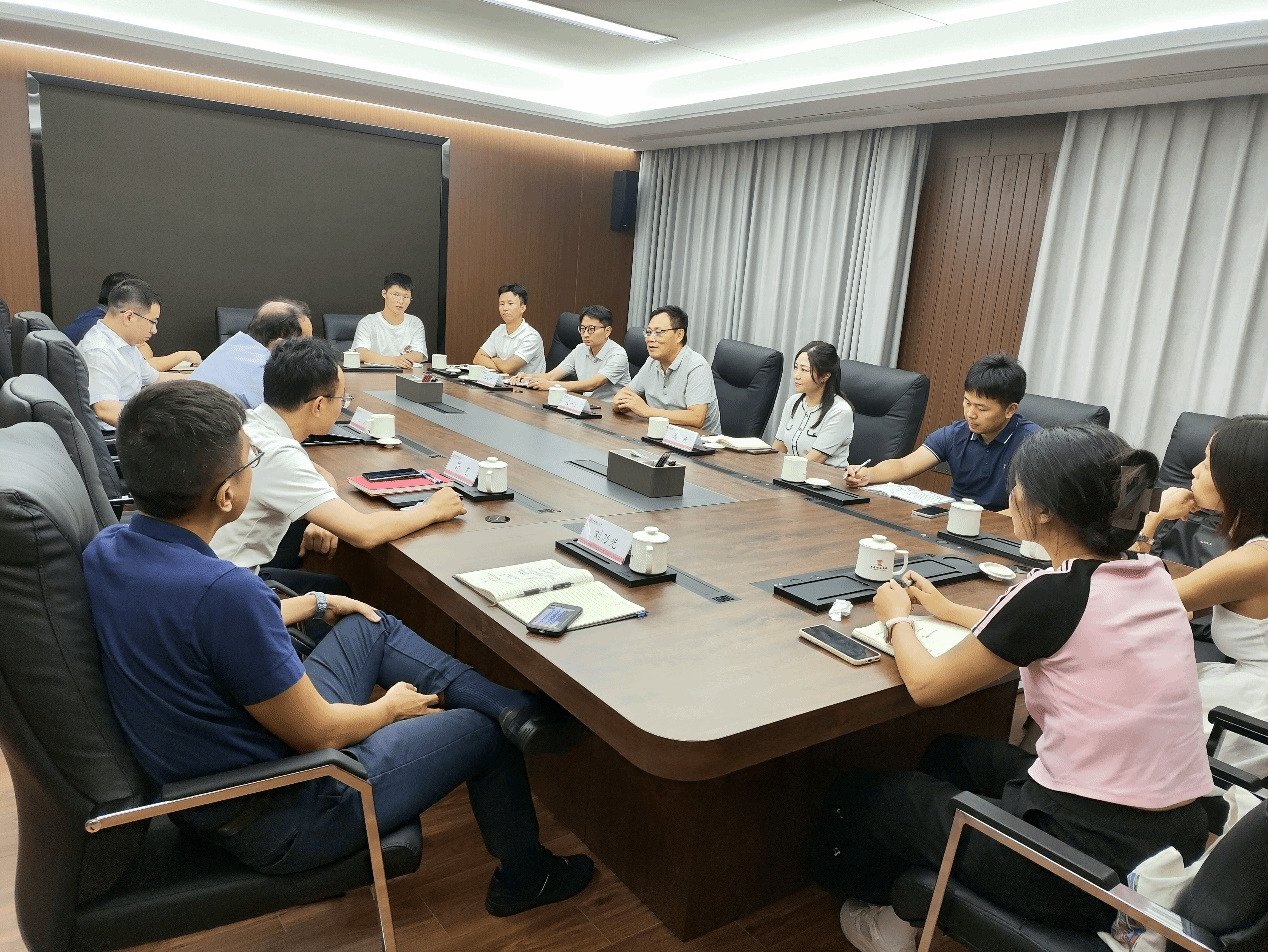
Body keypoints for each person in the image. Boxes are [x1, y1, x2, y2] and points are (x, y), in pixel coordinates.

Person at [83, 379, 594, 915]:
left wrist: (316, 603)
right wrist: (389, 709)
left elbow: (194, 629)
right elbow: (320, 733)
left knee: (367, 622)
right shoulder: (224, 594)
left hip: (232, 769)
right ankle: (526, 877)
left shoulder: (109, 547)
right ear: (226, 496)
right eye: (249, 460)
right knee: (481, 732)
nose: (254, 466)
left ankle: (510, 705)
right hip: (287, 807)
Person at [813, 424, 1212, 952]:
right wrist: (946, 609)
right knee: (950, 754)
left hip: (1087, 870)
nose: (1013, 492)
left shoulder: (1052, 593)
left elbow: (928, 686)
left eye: (1018, 484)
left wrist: (896, 619)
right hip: (1169, 837)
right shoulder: (1150, 574)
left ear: (1043, 510)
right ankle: (921, 895)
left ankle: (887, 924)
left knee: (867, 796)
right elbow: (1042, 629)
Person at [210, 336, 465, 594]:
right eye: (342, 399)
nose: (343, 406)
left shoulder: (250, 421)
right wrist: (432, 510)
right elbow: (365, 532)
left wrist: (324, 508)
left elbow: (317, 471)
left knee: (335, 586)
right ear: (319, 405)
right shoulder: (280, 455)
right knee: (343, 598)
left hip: (212, 569)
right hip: (228, 589)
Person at [1135, 414, 1268, 774]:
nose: (1193, 472)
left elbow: (1126, 599)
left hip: (1251, 714)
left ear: (1239, 481)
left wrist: (1153, 519)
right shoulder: (1254, 547)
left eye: (1207, 464)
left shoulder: (1256, 560)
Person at [845, 353, 1040, 511]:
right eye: (967, 402)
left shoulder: (1033, 445)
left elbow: (1031, 509)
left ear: (1010, 410)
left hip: (1001, 532)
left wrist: (978, 522)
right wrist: (869, 474)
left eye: (981, 408)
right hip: (952, 522)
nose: (970, 414)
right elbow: (904, 466)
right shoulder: (956, 434)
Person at [612, 305, 721, 434]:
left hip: (698, 441)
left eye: (659, 332)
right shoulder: (652, 361)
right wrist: (620, 403)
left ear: (679, 335)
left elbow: (696, 418)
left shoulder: (697, 366)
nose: (650, 339)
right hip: (660, 434)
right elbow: (624, 394)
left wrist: (647, 411)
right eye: (648, 332)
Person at [66, 271, 202, 371]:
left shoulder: (96, 318)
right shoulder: (98, 333)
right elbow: (147, 362)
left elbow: (144, 363)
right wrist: (182, 355)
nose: (154, 330)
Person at [189, 298, 312, 407]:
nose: (310, 350)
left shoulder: (230, 347)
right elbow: (283, 421)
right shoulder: (266, 371)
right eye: (305, 343)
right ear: (280, 344)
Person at [78, 278, 166, 428]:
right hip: (116, 433)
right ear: (129, 317)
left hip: (132, 421)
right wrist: (156, 428)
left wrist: (202, 380)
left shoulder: (124, 344)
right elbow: (106, 410)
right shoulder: (99, 351)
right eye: (153, 322)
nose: (154, 330)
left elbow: (156, 378)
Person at [513, 304, 630, 401]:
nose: (585, 334)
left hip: (612, 411)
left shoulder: (618, 355)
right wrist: (527, 376)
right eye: (583, 329)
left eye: (591, 329)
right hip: (589, 405)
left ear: (607, 331)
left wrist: (551, 385)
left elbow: (592, 384)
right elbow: (551, 376)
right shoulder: (580, 349)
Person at [771, 341, 853, 466]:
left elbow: (813, 461)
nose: (796, 375)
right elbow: (778, 448)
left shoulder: (840, 412)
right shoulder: (793, 402)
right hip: (791, 472)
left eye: (804, 370)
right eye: (796, 367)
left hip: (821, 476)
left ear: (825, 376)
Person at [352, 272, 428, 371]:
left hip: (405, 373)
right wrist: (393, 361)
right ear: (384, 293)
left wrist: (400, 361)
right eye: (396, 295)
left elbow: (418, 354)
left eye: (406, 297)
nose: (401, 301)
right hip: (374, 374)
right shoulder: (368, 322)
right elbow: (361, 352)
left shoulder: (415, 323)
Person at [472, 283, 545, 375]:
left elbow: (508, 368)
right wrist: (502, 367)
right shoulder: (499, 330)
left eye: (510, 304)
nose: (505, 308)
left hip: (526, 384)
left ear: (522, 308)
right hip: (503, 382)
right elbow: (478, 358)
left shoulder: (531, 337)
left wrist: (495, 360)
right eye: (502, 304)